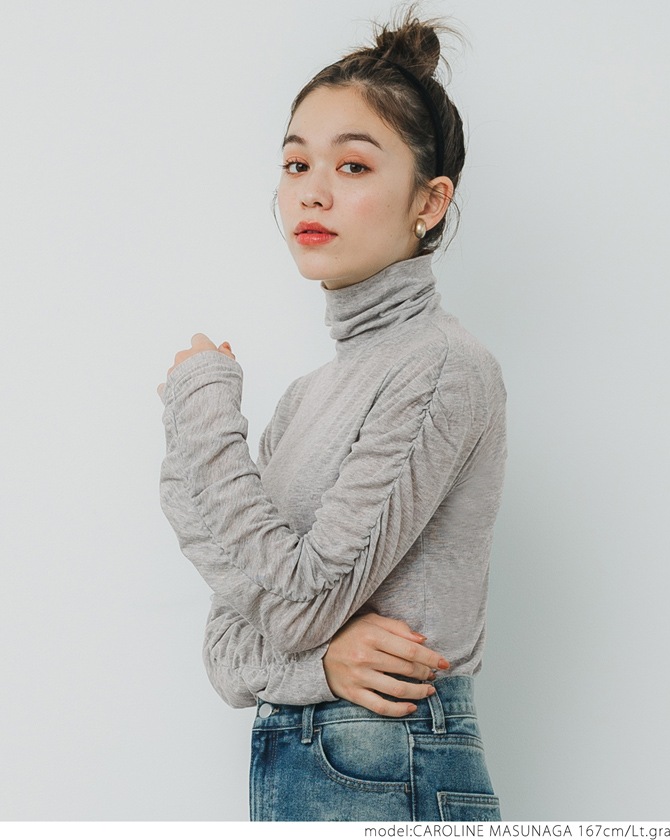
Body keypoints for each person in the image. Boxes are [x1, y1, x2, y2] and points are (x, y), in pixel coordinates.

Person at [157, 7, 506, 823]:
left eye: (353, 166)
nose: (311, 190)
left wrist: (204, 412)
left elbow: (301, 605)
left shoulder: (441, 366)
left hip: (391, 760)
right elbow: (227, 651)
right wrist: (319, 665)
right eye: (295, 163)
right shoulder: (305, 399)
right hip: (311, 765)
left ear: (430, 201)